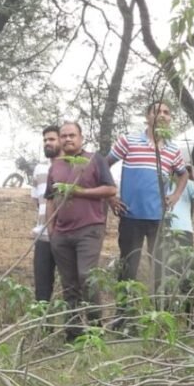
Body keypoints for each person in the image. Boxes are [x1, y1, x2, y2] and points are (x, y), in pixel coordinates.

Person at [107, 102, 188, 296]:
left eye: (166, 112)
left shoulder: (172, 150)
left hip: (159, 220)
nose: (162, 115)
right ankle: (123, 316)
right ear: (147, 116)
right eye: (157, 111)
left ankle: (159, 314)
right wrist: (111, 197)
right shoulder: (129, 141)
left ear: (170, 119)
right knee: (128, 268)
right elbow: (104, 165)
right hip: (130, 217)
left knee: (160, 268)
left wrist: (175, 195)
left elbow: (183, 175)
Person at [45, 122, 116, 339]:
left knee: (87, 276)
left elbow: (111, 189)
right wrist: (51, 229)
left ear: (81, 138)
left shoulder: (95, 159)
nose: (68, 139)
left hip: (89, 229)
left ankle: (95, 329)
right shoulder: (55, 166)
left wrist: (80, 191)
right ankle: (73, 333)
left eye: (72, 135)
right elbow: (50, 198)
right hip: (62, 233)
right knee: (69, 284)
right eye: (64, 136)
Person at [163, 163, 194, 316]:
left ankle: (192, 313)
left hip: (183, 232)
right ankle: (168, 311)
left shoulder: (187, 185)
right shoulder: (161, 184)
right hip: (164, 231)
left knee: (188, 272)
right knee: (166, 271)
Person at [31, 125, 62, 303]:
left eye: (52, 139)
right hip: (43, 236)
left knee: (70, 283)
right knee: (42, 287)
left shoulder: (72, 166)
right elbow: (37, 201)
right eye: (45, 140)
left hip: (66, 235)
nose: (47, 143)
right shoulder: (39, 169)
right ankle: (43, 329)